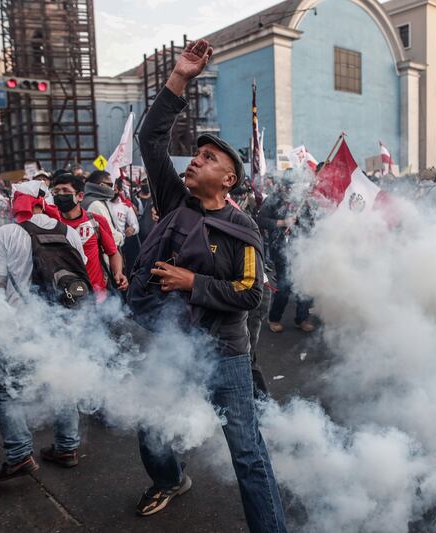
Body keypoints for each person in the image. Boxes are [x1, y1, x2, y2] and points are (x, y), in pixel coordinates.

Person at [127, 39, 287, 532]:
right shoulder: (176, 201)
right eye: (196, 153)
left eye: (209, 157)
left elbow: (251, 294)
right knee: (151, 424)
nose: (195, 160)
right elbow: (151, 138)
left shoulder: (245, 228)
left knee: (248, 454)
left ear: (229, 179)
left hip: (224, 351)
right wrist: (179, 78)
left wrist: (191, 281)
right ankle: (171, 479)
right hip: (174, 341)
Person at [0, 185, 90, 481]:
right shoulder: (68, 232)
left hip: (22, 325)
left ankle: (19, 455)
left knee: (6, 389)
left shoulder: (7, 233)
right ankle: (67, 447)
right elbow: (82, 272)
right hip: (65, 323)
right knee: (62, 381)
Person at [45, 174, 128, 298]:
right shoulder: (50, 224)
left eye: (66, 191)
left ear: (80, 196)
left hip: (97, 295)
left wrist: (118, 273)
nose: (60, 195)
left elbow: (113, 252)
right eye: (56, 192)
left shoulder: (96, 221)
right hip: (64, 297)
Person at [256, 176, 314, 333]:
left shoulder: (302, 200)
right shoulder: (273, 200)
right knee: (285, 286)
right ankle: (274, 318)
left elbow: (310, 223)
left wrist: (304, 216)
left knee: (305, 284)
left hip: (300, 247)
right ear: (282, 188)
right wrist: (282, 223)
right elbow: (260, 220)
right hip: (280, 248)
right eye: (288, 188)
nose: (291, 191)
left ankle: (302, 318)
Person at [83, 170, 125, 249]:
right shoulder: (96, 205)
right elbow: (110, 236)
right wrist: (121, 237)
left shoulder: (88, 200)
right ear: (102, 185)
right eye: (110, 185)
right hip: (102, 255)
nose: (113, 188)